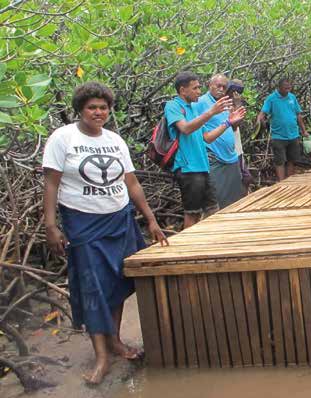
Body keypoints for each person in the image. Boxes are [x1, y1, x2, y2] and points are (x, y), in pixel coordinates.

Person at [42, 82, 169, 384]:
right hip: (83, 222)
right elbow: (51, 184)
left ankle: (115, 341)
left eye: (103, 108)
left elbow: (132, 183)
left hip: (120, 220)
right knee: (92, 286)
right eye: (91, 108)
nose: (98, 112)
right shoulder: (63, 138)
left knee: (116, 282)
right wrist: (50, 225)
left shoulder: (115, 140)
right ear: (80, 110)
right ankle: (101, 356)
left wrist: (150, 219)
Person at [165, 71, 246, 228]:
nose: (199, 91)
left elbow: (207, 137)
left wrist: (228, 123)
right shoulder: (173, 106)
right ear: (183, 90)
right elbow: (185, 128)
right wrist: (211, 112)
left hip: (203, 166)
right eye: (195, 88)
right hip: (188, 168)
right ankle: (188, 248)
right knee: (192, 213)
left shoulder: (193, 109)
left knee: (212, 210)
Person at [195, 74, 245, 209]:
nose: (221, 89)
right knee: (218, 198)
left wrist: (237, 106)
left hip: (230, 156)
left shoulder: (225, 102)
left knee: (234, 199)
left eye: (224, 86)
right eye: (218, 86)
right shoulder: (201, 102)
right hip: (213, 156)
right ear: (209, 85)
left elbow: (234, 126)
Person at [256, 78, 308, 181]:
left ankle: (290, 182)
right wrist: (259, 120)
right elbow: (263, 112)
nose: (288, 90)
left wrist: (304, 130)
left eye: (289, 88)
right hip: (278, 136)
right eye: (285, 88)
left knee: (291, 160)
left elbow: (298, 115)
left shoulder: (292, 97)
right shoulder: (271, 98)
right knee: (280, 161)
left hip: (293, 134)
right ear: (279, 87)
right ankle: (282, 183)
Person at [227, 78, 253, 192]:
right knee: (242, 178)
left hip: (238, 150)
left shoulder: (233, 105)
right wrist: (237, 104)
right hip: (230, 151)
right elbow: (234, 126)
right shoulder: (224, 106)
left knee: (246, 178)